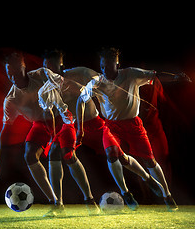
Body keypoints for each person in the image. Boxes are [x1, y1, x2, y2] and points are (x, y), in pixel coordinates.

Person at [39, 57, 165, 211]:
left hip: (95, 123)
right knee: (56, 152)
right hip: (70, 125)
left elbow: (101, 77)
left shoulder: (79, 72)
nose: (48, 70)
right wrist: (52, 131)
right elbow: (48, 111)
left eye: (51, 66)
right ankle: (63, 203)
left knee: (119, 156)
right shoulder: (45, 88)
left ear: (60, 64)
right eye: (45, 67)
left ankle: (147, 178)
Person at [76, 47, 190, 211]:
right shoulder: (97, 82)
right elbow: (81, 100)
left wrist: (176, 77)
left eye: (108, 66)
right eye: (102, 66)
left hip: (133, 124)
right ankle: (126, 192)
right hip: (111, 126)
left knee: (150, 161)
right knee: (112, 155)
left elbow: (155, 76)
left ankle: (167, 195)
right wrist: (80, 129)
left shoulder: (131, 74)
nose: (104, 70)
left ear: (117, 63)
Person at [0, 51, 98, 217]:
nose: (13, 75)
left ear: (24, 68)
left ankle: (89, 199)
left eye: (17, 70)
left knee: (67, 155)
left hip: (61, 119)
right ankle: (56, 203)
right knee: (29, 155)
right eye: (9, 72)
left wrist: (84, 90)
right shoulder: (11, 99)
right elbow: (5, 132)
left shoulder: (41, 75)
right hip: (41, 125)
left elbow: (63, 83)